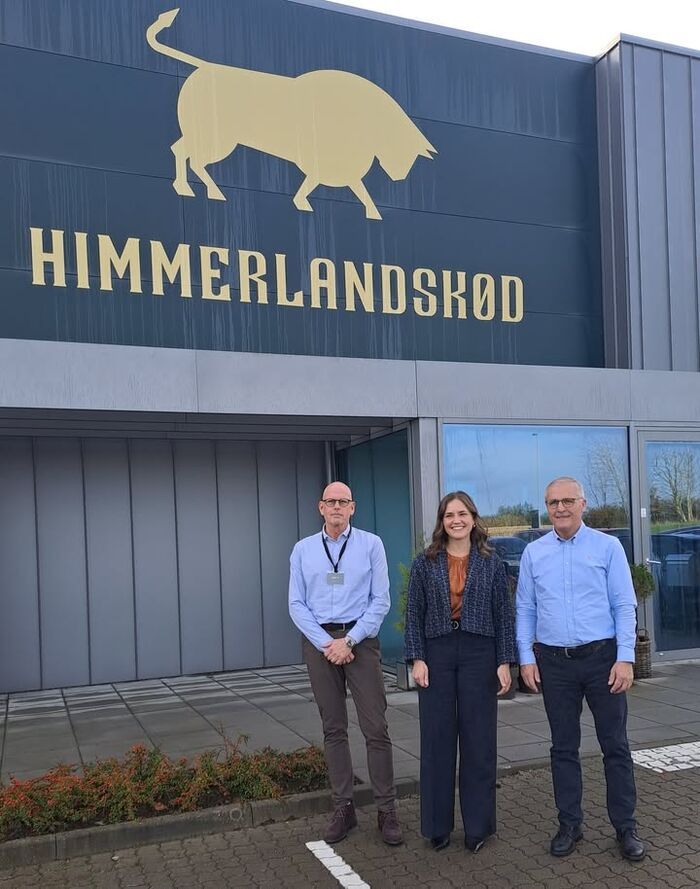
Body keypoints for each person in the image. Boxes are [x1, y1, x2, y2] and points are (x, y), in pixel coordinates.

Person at [516, 476, 646, 862]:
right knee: (563, 747)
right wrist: (526, 658)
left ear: (582, 504)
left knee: (615, 745)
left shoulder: (607, 547)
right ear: (547, 507)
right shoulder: (534, 553)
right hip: (554, 662)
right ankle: (569, 824)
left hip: (602, 659)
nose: (560, 508)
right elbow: (525, 608)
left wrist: (625, 657)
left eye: (567, 501)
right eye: (553, 502)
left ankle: (625, 827)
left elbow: (624, 604)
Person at [288, 481, 402, 846]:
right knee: (333, 728)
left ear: (352, 507)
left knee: (376, 727)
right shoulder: (303, 550)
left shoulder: (371, 545)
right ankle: (344, 808)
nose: (337, 507)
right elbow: (296, 604)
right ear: (320, 507)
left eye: (343, 501)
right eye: (330, 501)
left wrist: (349, 641)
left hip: (361, 642)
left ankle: (386, 810)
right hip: (320, 644)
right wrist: (328, 644)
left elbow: (381, 600)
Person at [404, 491, 515, 852]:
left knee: (478, 741)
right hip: (436, 651)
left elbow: (504, 614)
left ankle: (478, 827)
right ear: (442, 521)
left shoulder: (492, 562)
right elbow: (413, 613)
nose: (456, 520)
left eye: (462, 514)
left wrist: (504, 661)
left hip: (479, 651)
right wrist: (417, 658)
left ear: (473, 518)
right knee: (436, 739)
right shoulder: (425, 563)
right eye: (449, 515)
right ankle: (437, 827)